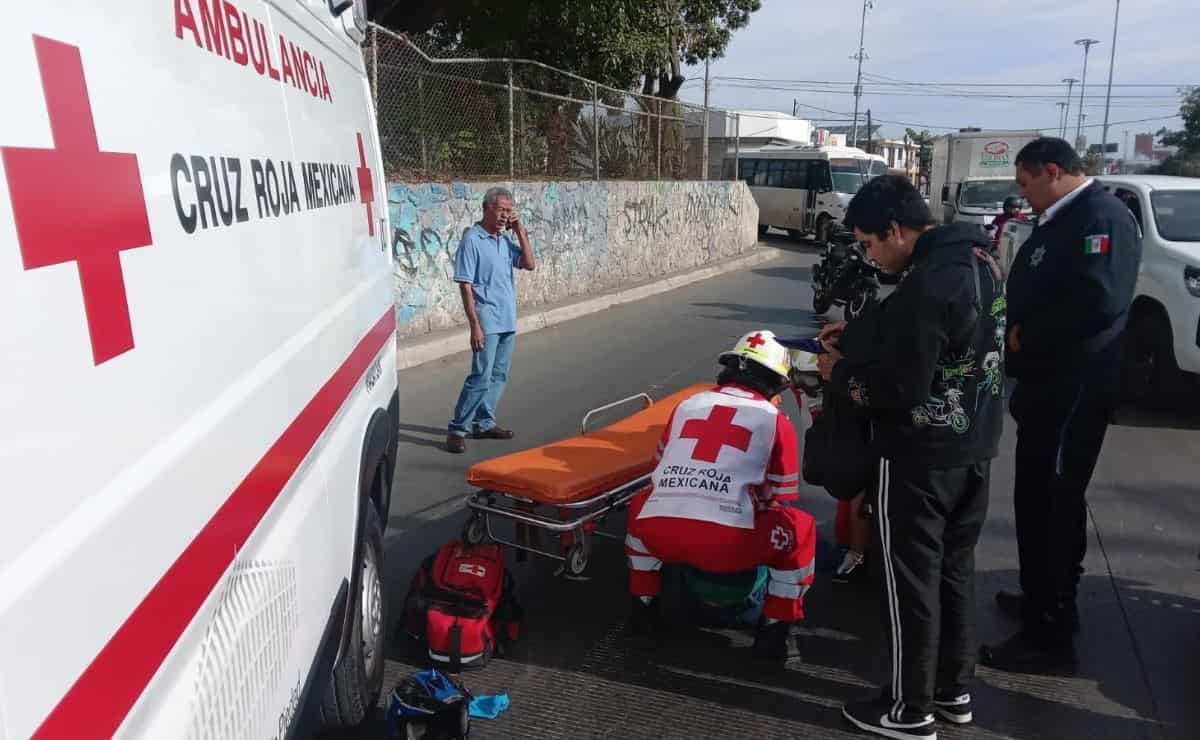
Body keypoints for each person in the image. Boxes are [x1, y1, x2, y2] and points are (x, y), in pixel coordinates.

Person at [818, 175, 1004, 740]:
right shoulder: (982, 261)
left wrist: (840, 376)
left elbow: (902, 391)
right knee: (954, 573)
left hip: (919, 458)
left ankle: (908, 710)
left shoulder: (926, 286)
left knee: (909, 584)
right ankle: (954, 693)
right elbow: (944, 338)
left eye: (871, 244)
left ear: (896, 231)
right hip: (975, 449)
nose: (871, 257)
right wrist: (855, 337)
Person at [980, 138, 1141, 673]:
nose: (1023, 196)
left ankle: (1049, 634)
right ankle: (1040, 597)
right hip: (1047, 386)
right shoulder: (1063, 219)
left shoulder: (1103, 217)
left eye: (1026, 183)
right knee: (1037, 499)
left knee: (1053, 502)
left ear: (1052, 171)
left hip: (1073, 386)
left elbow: (1100, 301)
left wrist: (1030, 336)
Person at [625, 330, 817, 664]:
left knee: (643, 504)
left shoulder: (687, 405)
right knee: (801, 530)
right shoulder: (774, 421)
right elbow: (779, 498)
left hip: (658, 534)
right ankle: (775, 634)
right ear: (775, 385)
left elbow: (661, 466)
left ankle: (643, 608)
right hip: (727, 544)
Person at [445, 187, 536, 454]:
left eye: (509, 211)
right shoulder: (472, 240)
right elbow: (465, 286)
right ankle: (457, 429)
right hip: (487, 320)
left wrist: (519, 231)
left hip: (507, 318)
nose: (505, 216)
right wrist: (475, 326)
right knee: (481, 377)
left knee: (499, 375)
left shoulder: (504, 241)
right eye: (501, 210)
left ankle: (484, 423)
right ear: (486, 208)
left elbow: (530, 264)